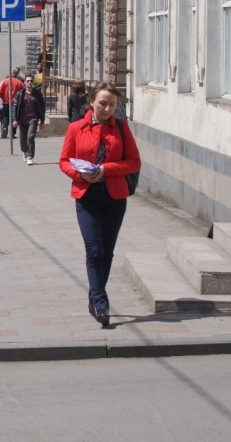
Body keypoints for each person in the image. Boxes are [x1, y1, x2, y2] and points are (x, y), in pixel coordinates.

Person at [59, 82, 141, 327]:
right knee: (94, 250)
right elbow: (64, 161)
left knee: (107, 252)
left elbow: (134, 162)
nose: (107, 109)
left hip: (114, 197)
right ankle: (100, 300)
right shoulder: (76, 128)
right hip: (87, 197)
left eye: (112, 105)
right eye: (103, 103)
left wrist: (106, 169)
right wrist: (80, 174)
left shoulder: (122, 129)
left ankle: (95, 296)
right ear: (92, 103)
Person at [12, 74, 45, 164]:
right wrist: (14, 119)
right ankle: (25, 151)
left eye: (31, 81)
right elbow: (15, 107)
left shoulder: (37, 94)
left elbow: (42, 107)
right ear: (24, 82)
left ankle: (30, 156)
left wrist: (42, 121)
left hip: (33, 118)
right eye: (28, 81)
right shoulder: (20, 94)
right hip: (22, 119)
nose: (30, 82)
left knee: (30, 137)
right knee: (22, 139)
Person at [0, 67, 24, 137]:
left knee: (5, 116)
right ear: (17, 74)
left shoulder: (4, 81)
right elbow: (23, 93)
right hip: (15, 103)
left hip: (6, 102)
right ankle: (13, 133)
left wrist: (3, 97)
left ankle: (5, 127)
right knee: (14, 117)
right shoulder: (19, 83)